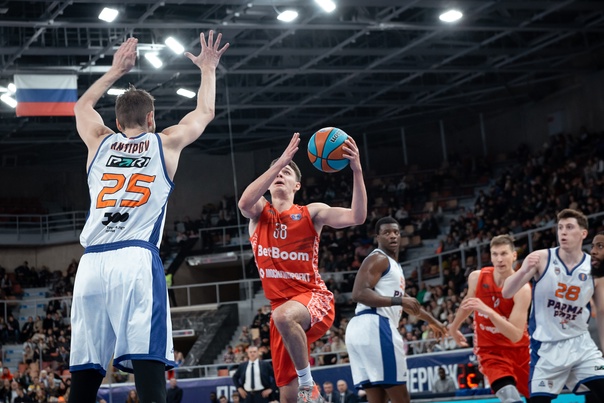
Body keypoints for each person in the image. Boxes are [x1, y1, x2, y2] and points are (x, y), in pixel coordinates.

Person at [70, 31, 229, 403]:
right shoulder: (166, 142)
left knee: (86, 372)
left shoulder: (99, 141)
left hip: (90, 264)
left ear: (116, 120)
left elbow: (81, 107)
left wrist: (115, 71)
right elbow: (204, 113)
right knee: (148, 361)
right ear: (151, 117)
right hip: (135, 258)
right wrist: (207, 69)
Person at [238, 132, 367, 403]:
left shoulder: (311, 212)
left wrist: (356, 170)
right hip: (280, 312)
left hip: (313, 298)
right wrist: (280, 162)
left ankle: (310, 386)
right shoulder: (259, 213)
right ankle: (305, 390)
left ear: (297, 185)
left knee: (283, 317)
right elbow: (244, 203)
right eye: (276, 173)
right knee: (287, 397)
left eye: (286, 172)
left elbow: (357, 216)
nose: (280, 174)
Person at [502, 209, 604, 402]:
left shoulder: (595, 267)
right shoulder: (541, 258)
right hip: (546, 347)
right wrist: (523, 270)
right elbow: (506, 292)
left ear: (583, 233)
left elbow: (602, 311)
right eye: (560, 227)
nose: (563, 232)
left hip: (581, 345)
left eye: (569, 227)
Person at [345, 216, 447, 403]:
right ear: (377, 237)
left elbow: (409, 303)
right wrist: (398, 301)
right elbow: (358, 293)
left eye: (396, 232)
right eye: (386, 233)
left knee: (378, 399)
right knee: (402, 398)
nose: (392, 236)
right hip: (375, 324)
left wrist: (433, 321)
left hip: (361, 328)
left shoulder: (394, 267)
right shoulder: (378, 258)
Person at [448, 234, 530, 402]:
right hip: (490, 351)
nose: (499, 259)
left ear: (514, 256)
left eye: (504, 253)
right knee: (510, 398)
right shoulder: (477, 277)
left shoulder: (522, 288)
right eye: (495, 254)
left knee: (538, 398)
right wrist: (454, 327)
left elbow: (515, 335)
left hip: (519, 351)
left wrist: (490, 313)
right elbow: (467, 303)